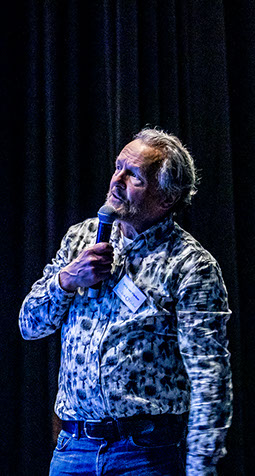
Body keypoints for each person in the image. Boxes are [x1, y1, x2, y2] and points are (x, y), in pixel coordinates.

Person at [19, 128, 232, 476]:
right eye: (118, 167)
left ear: (166, 198)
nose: (116, 181)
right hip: (74, 449)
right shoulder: (80, 238)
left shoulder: (191, 266)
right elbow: (29, 325)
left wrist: (200, 469)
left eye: (134, 176)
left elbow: (210, 380)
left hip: (145, 454)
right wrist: (67, 280)